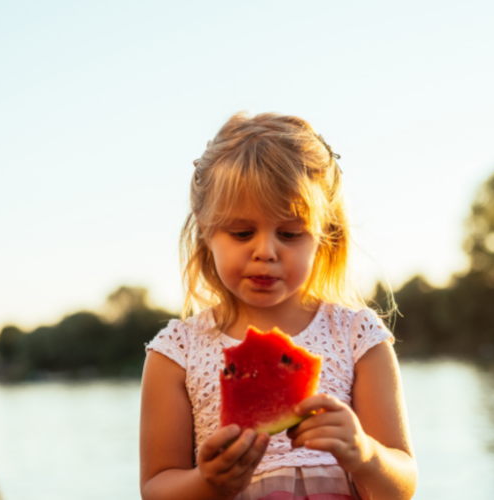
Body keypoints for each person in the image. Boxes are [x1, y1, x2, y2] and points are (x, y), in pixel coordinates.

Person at [139, 112, 417, 500]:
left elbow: (403, 484)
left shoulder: (357, 336)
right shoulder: (177, 353)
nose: (265, 251)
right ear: (205, 229)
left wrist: (364, 453)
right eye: (242, 233)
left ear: (322, 234)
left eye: (289, 233)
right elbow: (155, 489)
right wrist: (208, 482)